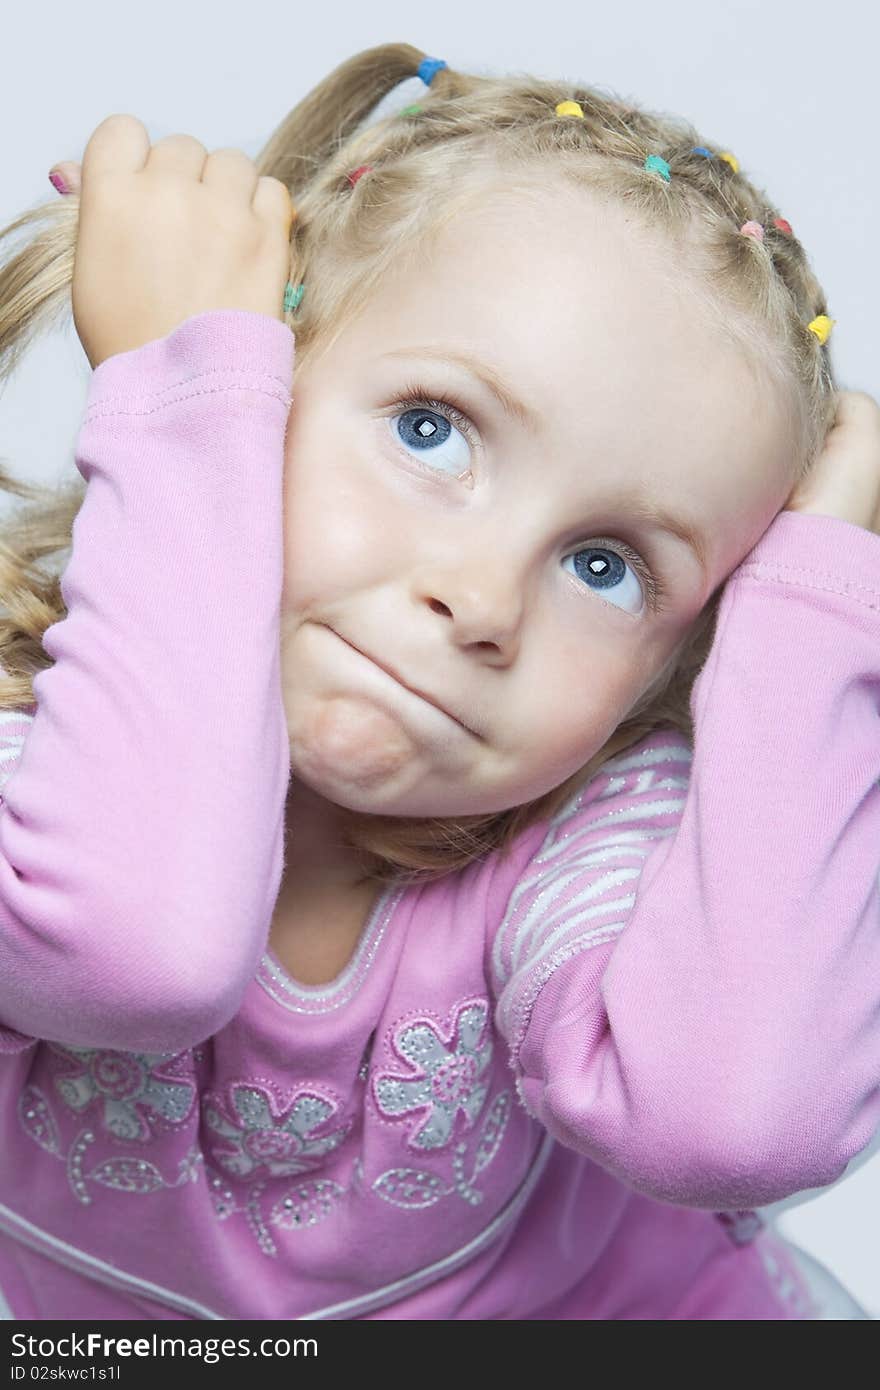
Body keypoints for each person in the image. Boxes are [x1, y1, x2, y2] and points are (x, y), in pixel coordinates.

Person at [0, 41, 876, 1320]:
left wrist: (820, 597)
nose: (481, 599)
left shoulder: (584, 840)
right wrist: (185, 395)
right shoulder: (36, 751)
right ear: (269, 369)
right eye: (432, 429)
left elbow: (737, 1121)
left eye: (605, 564)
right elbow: (135, 950)